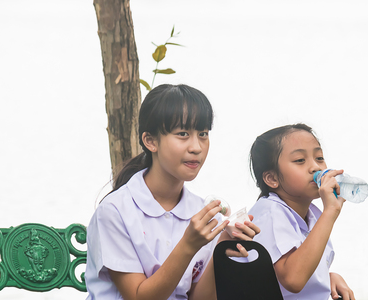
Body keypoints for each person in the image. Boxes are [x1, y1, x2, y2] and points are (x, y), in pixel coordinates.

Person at [85, 84, 260, 300]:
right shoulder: (115, 211)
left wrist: (222, 246)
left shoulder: (202, 213)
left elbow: (198, 298)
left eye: (203, 134)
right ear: (150, 141)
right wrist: (188, 245)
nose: (196, 147)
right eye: (183, 134)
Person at [248, 123, 355, 300]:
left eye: (319, 158)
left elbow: (303, 268)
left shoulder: (312, 215)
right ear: (272, 178)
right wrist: (330, 212)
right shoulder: (270, 212)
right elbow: (293, 279)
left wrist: (328, 278)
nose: (315, 167)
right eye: (300, 160)